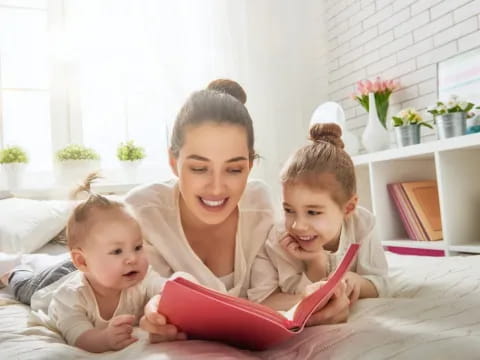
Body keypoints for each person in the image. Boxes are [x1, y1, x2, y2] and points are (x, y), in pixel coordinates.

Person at [1, 80, 351, 343]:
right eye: (199, 168)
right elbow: (143, 299)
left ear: (250, 164)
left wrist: (311, 306)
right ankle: (13, 264)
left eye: (234, 169)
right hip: (79, 275)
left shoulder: (260, 203)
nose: (217, 188)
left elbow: (260, 298)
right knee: (30, 279)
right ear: (173, 162)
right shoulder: (140, 211)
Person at [11, 174, 179, 353]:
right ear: (82, 261)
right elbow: (78, 336)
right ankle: (14, 271)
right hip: (50, 282)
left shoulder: (141, 278)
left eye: (137, 247)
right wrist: (105, 339)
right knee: (23, 286)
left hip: (87, 268)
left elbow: (169, 290)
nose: (133, 258)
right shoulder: (69, 298)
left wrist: (158, 302)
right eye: (117, 251)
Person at [252, 123, 388, 311]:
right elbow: (267, 300)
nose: (298, 226)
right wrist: (315, 263)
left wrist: (358, 282)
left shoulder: (362, 224)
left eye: (313, 212)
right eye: (289, 210)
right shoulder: (278, 238)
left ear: (348, 208)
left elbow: (380, 281)